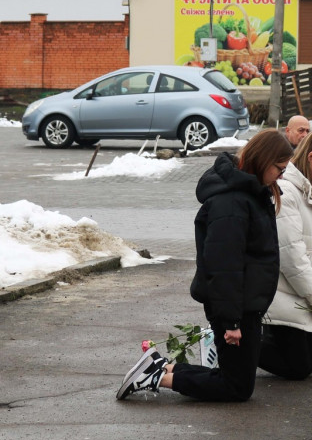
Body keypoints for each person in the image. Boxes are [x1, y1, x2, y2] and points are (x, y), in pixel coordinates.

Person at [116, 129, 292, 401]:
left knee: (236, 382)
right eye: (279, 168)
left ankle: (160, 369)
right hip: (235, 306)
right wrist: (231, 320)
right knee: (235, 387)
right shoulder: (233, 201)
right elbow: (224, 265)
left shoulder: (249, 193)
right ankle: (157, 377)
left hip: (244, 303)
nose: (281, 175)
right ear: (263, 159)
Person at [260, 129, 312, 380]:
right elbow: (291, 254)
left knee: (302, 364)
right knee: (300, 366)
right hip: (285, 291)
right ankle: (225, 343)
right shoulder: (286, 190)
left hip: (300, 292)